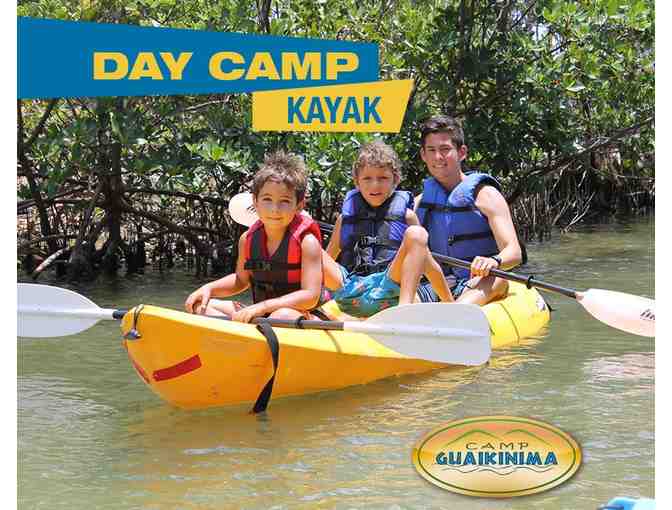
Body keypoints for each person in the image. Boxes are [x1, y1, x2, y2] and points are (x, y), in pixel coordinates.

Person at [184, 150, 327, 322]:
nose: (274, 209)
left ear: (299, 206)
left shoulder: (307, 242)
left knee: (282, 315)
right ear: (255, 202)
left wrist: (264, 307)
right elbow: (240, 281)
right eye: (267, 199)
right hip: (263, 315)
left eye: (284, 201)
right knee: (200, 306)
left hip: (300, 316)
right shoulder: (247, 239)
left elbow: (311, 295)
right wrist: (209, 288)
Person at [322, 140, 452, 318]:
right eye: (367, 178)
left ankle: (404, 309)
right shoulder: (345, 218)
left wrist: (450, 304)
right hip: (350, 292)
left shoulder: (407, 216)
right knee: (312, 245)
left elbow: (428, 263)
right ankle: (304, 304)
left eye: (383, 178)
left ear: (395, 180)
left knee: (417, 234)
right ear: (357, 182)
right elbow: (326, 259)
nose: (375, 185)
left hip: (389, 291)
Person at [414, 115, 522, 305]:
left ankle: (458, 311)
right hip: (436, 284)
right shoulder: (418, 203)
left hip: (479, 281)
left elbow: (514, 252)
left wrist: (494, 261)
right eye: (431, 150)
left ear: (462, 152)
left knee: (498, 279)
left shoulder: (487, 196)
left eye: (445, 149)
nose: (438, 157)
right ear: (423, 155)